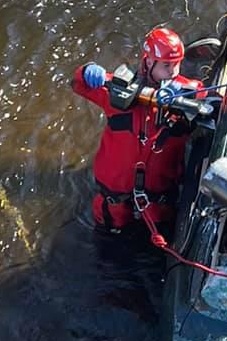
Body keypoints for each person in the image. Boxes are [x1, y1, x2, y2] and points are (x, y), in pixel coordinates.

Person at [72, 26, 219, 235]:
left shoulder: (188, 93)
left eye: (176, 64)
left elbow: (218, 106)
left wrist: (188, 99)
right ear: (149, 62)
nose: (173, 72)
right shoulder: (119, 91)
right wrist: (86, 71)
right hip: (114, 204)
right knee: (107, 248)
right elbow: (78, 84)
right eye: (167, 65)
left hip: (159, 205)